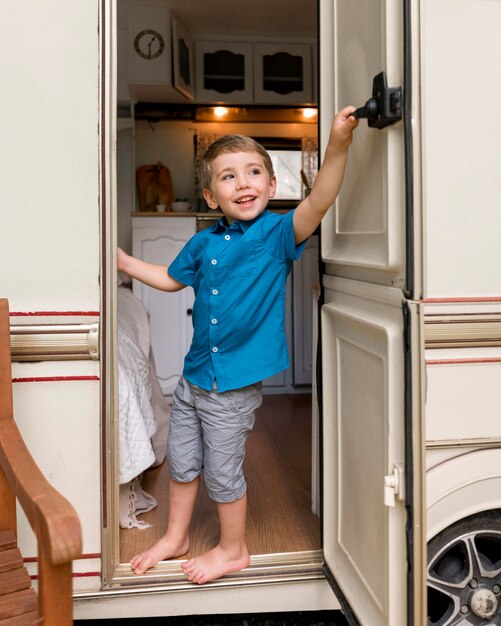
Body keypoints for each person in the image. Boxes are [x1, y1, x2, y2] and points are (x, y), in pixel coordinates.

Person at [117, 106, 359, 584]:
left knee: (223, 473)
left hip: (232, 386)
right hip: (193, 376)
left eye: (254, 173)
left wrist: (339, 144)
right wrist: (123, 262)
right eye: (229, 177)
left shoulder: (276, 234)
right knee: (183, 463)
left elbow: (321, 198)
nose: (243, 183)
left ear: (272, 186)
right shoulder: (204, 243)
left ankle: (233, 549)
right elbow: (169, 279)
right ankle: (177, 537)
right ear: (211, 195)